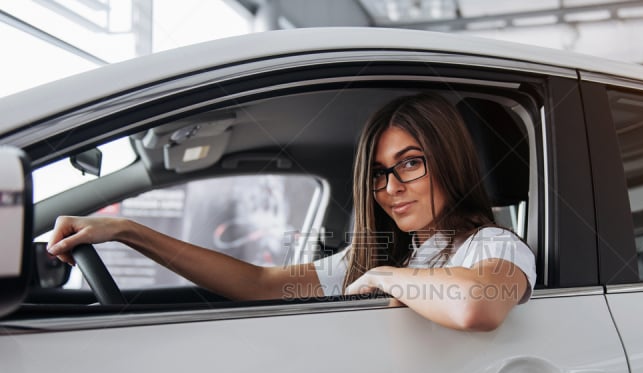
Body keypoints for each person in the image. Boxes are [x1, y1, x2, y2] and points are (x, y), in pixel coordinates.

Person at [47, 93, 536, 331]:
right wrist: (130, 232)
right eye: (378, 172)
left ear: (448, 159)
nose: (390, 188)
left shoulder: (492, 245)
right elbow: (257, 284)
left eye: (410, 164)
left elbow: (478, 305)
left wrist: (386, 277)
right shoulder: (376, 258)